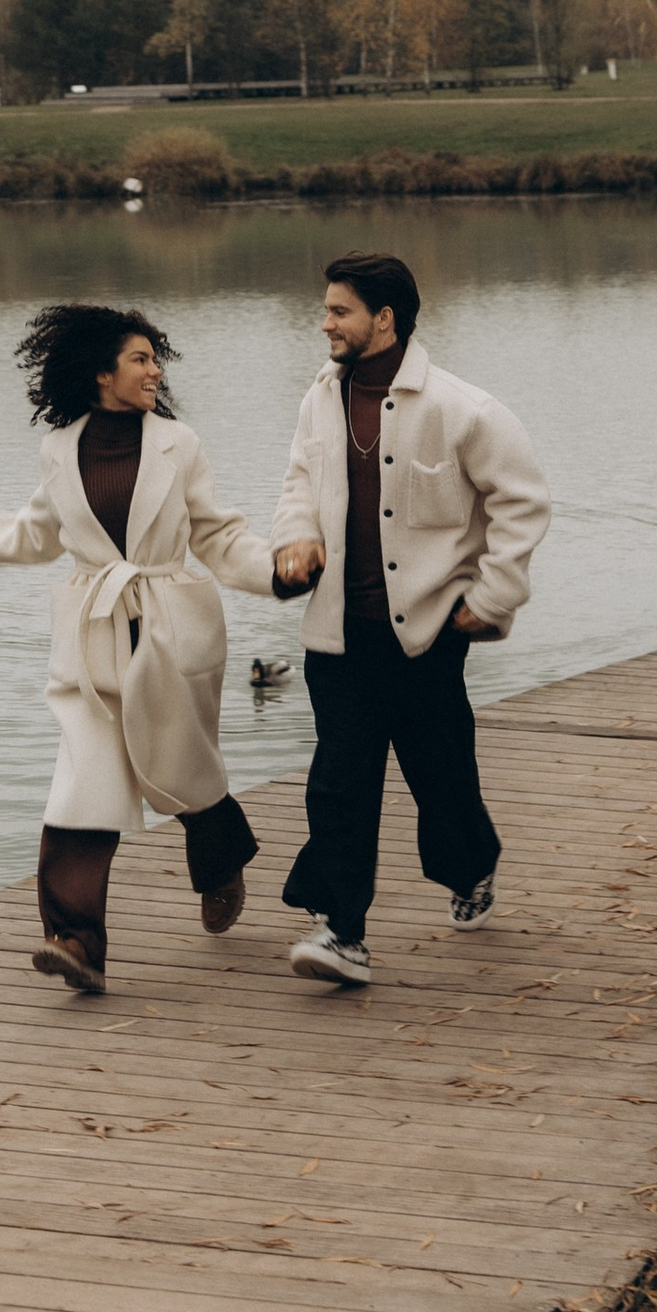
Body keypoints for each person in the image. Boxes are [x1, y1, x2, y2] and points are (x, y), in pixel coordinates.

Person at [0, 301, 281, 995]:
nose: (155, 370)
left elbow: (216, 535)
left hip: (170, 626)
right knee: (83, 783)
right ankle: (76, 940)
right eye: (140, 359)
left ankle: (222, 855)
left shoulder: (179, 444)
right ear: (101, 374)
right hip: (91, 636)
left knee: (183, 771)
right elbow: (35, 535)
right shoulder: (59, 449)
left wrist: (278, 571)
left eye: (154, 359)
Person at [268, 250, 549, 989]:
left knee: (441, 777)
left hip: (427, 635)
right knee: (340, 780)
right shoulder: (318, 399)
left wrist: (492, 597)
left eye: (339, 311)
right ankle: (342, 932)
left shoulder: (464, 409)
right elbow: (298, 483)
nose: (325, 323)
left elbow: (522, 503)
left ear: (384, 319)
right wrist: (296, 538)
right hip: (337, 634)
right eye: (327, 309)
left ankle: (471, 867)